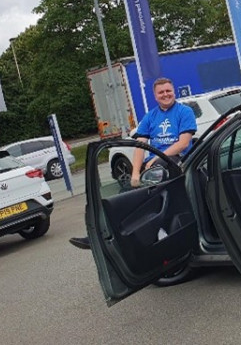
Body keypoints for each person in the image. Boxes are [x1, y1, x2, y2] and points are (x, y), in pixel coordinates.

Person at [69, 77, 197, 250]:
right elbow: (139, 146)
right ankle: (98, 235)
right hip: (154, 166)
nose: (166, 94)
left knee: (148, 201)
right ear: (155, 95)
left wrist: (156, 158)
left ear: (173, 91)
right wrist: (135, 173)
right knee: (124, 197)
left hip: (175, 162)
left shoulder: (184, 112)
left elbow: (183, 143)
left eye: (168, 91)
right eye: (161, 92)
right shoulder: (151, 116)